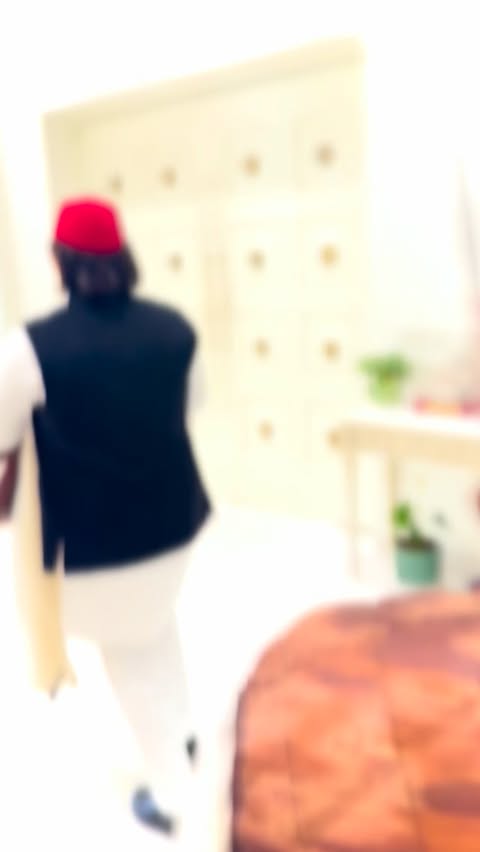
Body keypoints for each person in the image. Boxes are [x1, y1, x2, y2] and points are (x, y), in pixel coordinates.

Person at [0, 197, 211, 834]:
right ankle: (184, 738)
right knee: (154, 628)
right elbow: (191, 405)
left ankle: (173, 798)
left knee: (130, 654)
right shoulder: (176, 328)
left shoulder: (28, 347)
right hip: (173, 524)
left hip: (94, 543)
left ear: (59, 262)